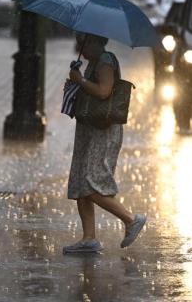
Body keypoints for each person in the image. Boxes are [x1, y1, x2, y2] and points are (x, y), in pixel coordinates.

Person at [64, 33, 146, 254]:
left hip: (103, 130)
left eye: (82, 43)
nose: (79, 47)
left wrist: (80, 80)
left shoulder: (106, 61)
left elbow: (103, 91)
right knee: (81, 182)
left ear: (94, 42)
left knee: (92, 182)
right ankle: (88, 238)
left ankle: (130, 219)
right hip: (90, 128)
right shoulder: (92, 62)